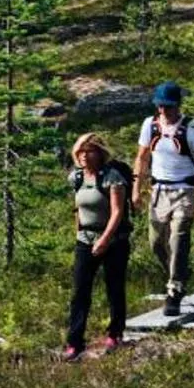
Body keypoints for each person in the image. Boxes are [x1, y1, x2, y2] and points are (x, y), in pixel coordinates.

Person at [133, 80, 194, 318]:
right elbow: (142, 158)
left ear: (177, 105)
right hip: (158, 191)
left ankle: (174, 290)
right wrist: (136, 188)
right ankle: (179, 271)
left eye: (167, 107)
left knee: (178, 239)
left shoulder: (192, 128)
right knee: (156, 242)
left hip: (185, 191)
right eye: (159, 106)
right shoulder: (150, 125)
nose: (163, 111)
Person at [62, 132, 131, 359]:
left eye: (88, 151)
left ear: (99, 154)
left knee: (114, 288)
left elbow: (118, 212)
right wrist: (78, 234)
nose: (83, 155)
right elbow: (78, 209)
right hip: (85, 240)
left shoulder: (112, 177)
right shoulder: (77, 178)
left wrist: (105, 240)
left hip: (113, 242)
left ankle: (115, 333)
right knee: (80, 291)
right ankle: (74, 342)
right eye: (80, 151)